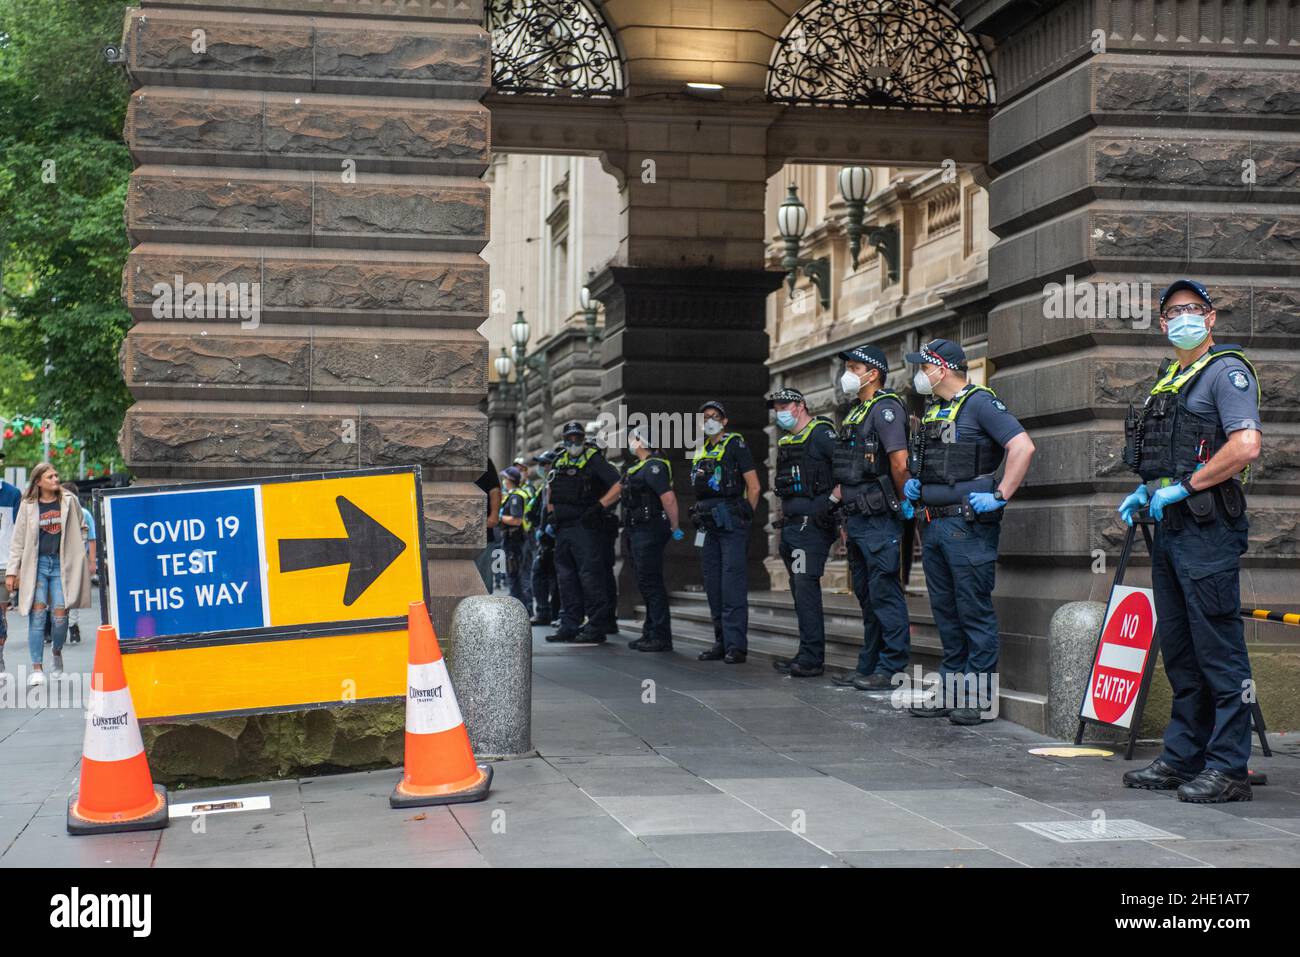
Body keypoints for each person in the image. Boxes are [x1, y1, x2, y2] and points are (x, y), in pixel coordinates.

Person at [1117, 280, 1262, 803]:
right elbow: (1167, 451)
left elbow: (1245, 445)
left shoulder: (1227, 371)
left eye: (1192, 310)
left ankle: (1228, 767)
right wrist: (1146, 489)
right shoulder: (1169, 379)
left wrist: (1188, 485)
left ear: (1210, 319)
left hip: (1208, 532)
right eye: (1173, 311)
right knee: (1180, 649)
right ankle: (1185, 755)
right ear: (1161, 324)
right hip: (1171, 530)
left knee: (1218, 650)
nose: (1182, 318)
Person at [902, 339, 1035, 725]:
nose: (920, 374)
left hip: (967, 524)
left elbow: (1022, 447)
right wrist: (917, 485)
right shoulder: (935, 410)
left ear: (942, 368)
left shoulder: (980, 402)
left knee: (973, 612)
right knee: (947, 614)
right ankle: (951, 692)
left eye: (924, 366)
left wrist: (1000, 494)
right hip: (934, 523)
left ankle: (977, 698)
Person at [826, 346, 913, 691]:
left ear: (873, 372)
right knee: (865, 593)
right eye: (847, 366)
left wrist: (907, 502)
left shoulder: (886, 408)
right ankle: (869, 664)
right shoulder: (856, 412)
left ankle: (891, 666)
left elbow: (899, 462)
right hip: (857, 517)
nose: (847, 373)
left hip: (879, 518)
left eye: (854, 366)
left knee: (884, 591)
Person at [766, 388, 837, 677]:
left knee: (806, 590)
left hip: (812, 525)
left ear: (800, 406)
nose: (779, 410)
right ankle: (805, 652)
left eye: (784, 404)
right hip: (793, 526)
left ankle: (811, 659)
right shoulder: (788, 440)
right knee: (799, 591)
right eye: (776, 406)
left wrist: (831, 504)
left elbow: (847, 469)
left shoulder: (821, 433)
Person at [4, 463, 92, 688]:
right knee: (38, 613)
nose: (56, 478)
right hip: (37, 565)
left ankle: (56, 652)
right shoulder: (28, 505)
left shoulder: (68, 501)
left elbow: (83, 528)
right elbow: (18, 541)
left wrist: (79, 551)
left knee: (61, 615)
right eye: (50, 476)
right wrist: (13, 571)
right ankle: (37, 668)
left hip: (62, 565)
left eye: (56, 474)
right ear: (38, 482)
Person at [689, 400, 760, 664]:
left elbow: (753, 487)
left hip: (731, 524)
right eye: (705, 416)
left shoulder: (735, 444)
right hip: (707, 526)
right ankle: (720, 641)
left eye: (715, 416)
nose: (709, 420)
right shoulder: (699, 450)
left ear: (724, 421)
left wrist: (744, 519)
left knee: (732, 586)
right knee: (713, 586)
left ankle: (736, 646)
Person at [546, 420, 621, 644]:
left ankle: (596, 626)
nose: (573, 442)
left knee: (590, 577)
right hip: (563, 529)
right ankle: (569, 624)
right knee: (566, 579)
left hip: (585, 528)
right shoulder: (559, 460)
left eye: (577, 438)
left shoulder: (593, 459)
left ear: (582, 438)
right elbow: (551, 489)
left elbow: (618, 485)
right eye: (569, 438)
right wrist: (551, 512)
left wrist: (599, 506)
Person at [621, 427, 684, 653]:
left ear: (641, 441)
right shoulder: (638, 467)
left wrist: (675, 526)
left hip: (649, 531)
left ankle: (660, 636)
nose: (630, 443)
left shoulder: (654, 466)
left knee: (652, 583)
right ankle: (650, 632)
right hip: (638, 531)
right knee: (645, 583)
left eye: (632, 439)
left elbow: (669, 498)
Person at [587, 420, 621, 635]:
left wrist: (598, 508)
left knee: (600, 573)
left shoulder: (607, 468)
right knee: (600, 572)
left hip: (601, 525)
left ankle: (606, 617)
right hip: (595, 525)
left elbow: (617, 492)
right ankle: (605, 617)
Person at [529, 450, 560, 626]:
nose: (541, 467)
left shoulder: (555, 481)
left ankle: (553, 613)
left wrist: (551, 528)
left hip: (554, 537)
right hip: (544, 537)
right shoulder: (545, 483)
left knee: (554, 577)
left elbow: (552, 509)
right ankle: (545, 612)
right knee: (540, 574)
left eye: (544, 463)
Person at [61, 483, 93, 645]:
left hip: (76, 560)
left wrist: (91, 561)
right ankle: (53, 626)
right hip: (59, 560)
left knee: (73, 595)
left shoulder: (84, 513)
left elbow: (92, 538)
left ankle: (73, 626)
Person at [498, 466, 533, 608]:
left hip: (516, 540)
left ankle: (524, 608)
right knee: (516, 573)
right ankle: (520, 607)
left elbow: (516, 520)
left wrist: (500, 517)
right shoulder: (516, 494)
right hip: (516, 540)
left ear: (510, 480)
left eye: (505, 478)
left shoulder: (515, 497)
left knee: (517, 574)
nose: (504, 481)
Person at [0, 458, 20, 683]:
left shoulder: (12, 494)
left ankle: (0, 654)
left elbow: (19, 530)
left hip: (5, 564)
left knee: (0, 614)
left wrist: (18, 566)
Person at [473, 457, 502, 591]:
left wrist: (494, 515)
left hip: (482, 530)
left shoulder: (484, 460)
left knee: (483, 577)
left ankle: (484, 605)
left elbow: (494, 490)